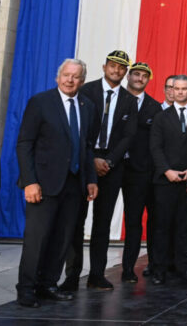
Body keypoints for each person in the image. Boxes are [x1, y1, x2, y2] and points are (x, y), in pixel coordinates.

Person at [16, 59, 98, 308]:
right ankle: (27, 289)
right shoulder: (40, 103)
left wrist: (92, 180)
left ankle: (48, 284)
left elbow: (86, 147)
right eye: (66, 75)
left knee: (62, 239)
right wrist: (30, 182)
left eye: (75, 76)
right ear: (57, 77)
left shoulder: (87, 106)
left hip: (75, 185)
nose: (70, 80)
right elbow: (24, 144)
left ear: (82, 81)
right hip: (43, 184)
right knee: (37, 239)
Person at [64, 49, 138, 292]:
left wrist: (109, 161)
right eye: (113, 66)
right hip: (86, 160)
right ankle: (72, 276)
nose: (116, 70)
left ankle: (96, 275)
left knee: (102, 223)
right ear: (104, 66)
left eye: (121, 68)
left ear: (125, 72)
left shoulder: (129, 100)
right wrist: (92, 158)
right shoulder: (86, 91)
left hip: (112, 166)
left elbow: (129, 136)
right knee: (76, 219)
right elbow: (78, 129)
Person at [149, 75, 187, 285]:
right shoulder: (161, 117)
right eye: (176, 88)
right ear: (171, 91)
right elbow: (155, 147)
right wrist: (166, 170)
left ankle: (182, 267)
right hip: (165, 181)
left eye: (184, 89)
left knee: (185, 226)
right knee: (162, 226)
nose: (180, 92)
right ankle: (159, 269)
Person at [120, 62, 163, 283]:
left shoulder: (155, 108)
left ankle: (130, 269)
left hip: (142, 173)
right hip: (113, 168)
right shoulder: (115, 100)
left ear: (149, 80)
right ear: (129, 75)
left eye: (144, 75)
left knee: (138, 222)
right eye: (136, 74)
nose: (139, 78)